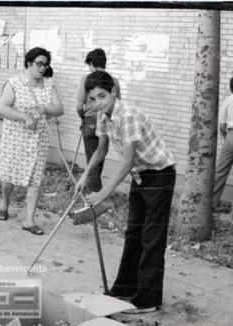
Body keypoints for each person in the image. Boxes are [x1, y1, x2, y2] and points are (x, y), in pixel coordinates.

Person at [75, 71, 176, 313]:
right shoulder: (103, 115)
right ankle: (125, 288)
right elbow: (100, 151)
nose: (98, 102)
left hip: (159, 175)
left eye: (102, 96)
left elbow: (127, 161)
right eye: (93, 98)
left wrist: (102, 194)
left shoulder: (128, 115)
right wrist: (84, 175)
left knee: (151, 238)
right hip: (140, 176)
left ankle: (148, 299)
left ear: (113, 93)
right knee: (133, 233)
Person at [0, 47, 64, 236]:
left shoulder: (49, 86)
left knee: (35, 180)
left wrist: (48, 109)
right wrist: (24, 117)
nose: (42, 68)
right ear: (29, 63)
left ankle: (29, 220)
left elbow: (60, 109)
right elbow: (1, 108)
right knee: (9, 177)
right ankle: (4, 205)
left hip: (38, 143)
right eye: (39, 63)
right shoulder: (15, 83)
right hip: (15, 140)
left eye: (45, 64)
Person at [76, 48, 121, 193]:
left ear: (91, 64)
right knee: (99, 157)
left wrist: (83, 117)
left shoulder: (86, 79)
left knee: (93, 158)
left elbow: (78, 106)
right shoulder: (114, 80)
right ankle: (93, 190)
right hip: (107, 120)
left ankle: (95, 194)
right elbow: (117, 104)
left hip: (90, 121)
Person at [213, 77, 233, 209]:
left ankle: (212, 204)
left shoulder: (228, 100)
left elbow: (221, 125)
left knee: (220, 171)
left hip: (231, 136)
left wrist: (227, 137)